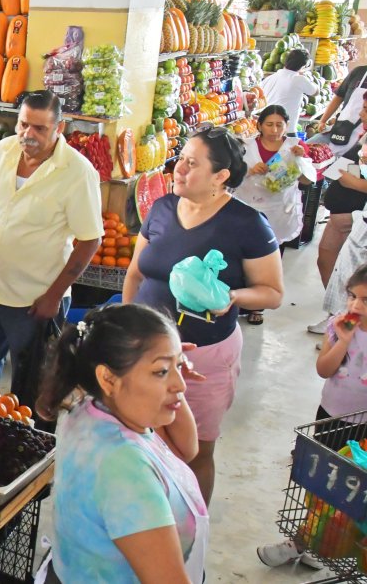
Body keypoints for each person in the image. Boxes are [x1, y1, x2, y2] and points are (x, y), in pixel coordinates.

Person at [123, 127, 284, 504]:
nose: (179, 168)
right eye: (180, 159)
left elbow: (273, 293)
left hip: (204, 357)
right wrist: (124, 326)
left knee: (194, 451)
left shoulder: (247, 223)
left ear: (221, 176)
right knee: (139, 440)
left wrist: (231, 296)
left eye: (192, 164)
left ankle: (192, 529)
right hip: (142, 351)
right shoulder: (162, 208)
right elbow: (135, 273)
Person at [37, 304, 207, 583]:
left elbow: (186, 450)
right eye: (161, 371)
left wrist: (170, 370)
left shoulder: (90, 400)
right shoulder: (125, 468)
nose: (182, 384)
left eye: (178, 365)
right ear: (108, 378)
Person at [0, 90, 104, 398]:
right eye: (24, 124)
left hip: (35, 300)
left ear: (58, 128)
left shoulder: (78, 173)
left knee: (32, 389)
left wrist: (53, 296)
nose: (28, 134)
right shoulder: (2, 152)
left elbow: (90, 239)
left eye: (39, 128)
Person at [258, 263, 367, 569]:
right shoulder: (340, 326)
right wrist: (343, 341)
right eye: (352, 296)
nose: (355, 305)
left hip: (364, 432)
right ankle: (306, 542)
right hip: (331, 419)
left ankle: (324, 544)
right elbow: (324, 369)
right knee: (321, 488)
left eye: (365, 300)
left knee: (353, 494)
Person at [231, 105, 308, 324]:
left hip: (279, 211)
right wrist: (248, 170)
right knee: (241, 255)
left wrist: (301, 161)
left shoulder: (295, 147)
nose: (274, 130)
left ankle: (258, 306)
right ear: (259, 125)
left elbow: (307, 180)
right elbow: (231, 175)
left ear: (286, 125)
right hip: (248, 208)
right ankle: (237, 300)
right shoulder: (246, 147)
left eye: (279, 125)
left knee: (270, 257)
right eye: (269, 124)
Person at [311, 99, 367, 334]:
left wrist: (351, 181)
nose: (361, 112)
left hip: (357, 220)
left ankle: (346, 331)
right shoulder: (363, 136)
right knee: (330, 263)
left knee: (353, 280)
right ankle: (338, 322)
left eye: (366, 108)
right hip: (349, 216)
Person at [259, 49, 318, 134]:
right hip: (286, 132)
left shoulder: (269, 78)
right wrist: (307, 76)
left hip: (266, 131)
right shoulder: (299, 79)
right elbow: (315, 92)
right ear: (303, 65)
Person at [314, 62, 367, 157]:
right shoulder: (358, 72)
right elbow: (339, 97)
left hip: (361, 139)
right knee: (307, 150)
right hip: (339, 128)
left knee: (342, 167)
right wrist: (323, 120)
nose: (361, 113)